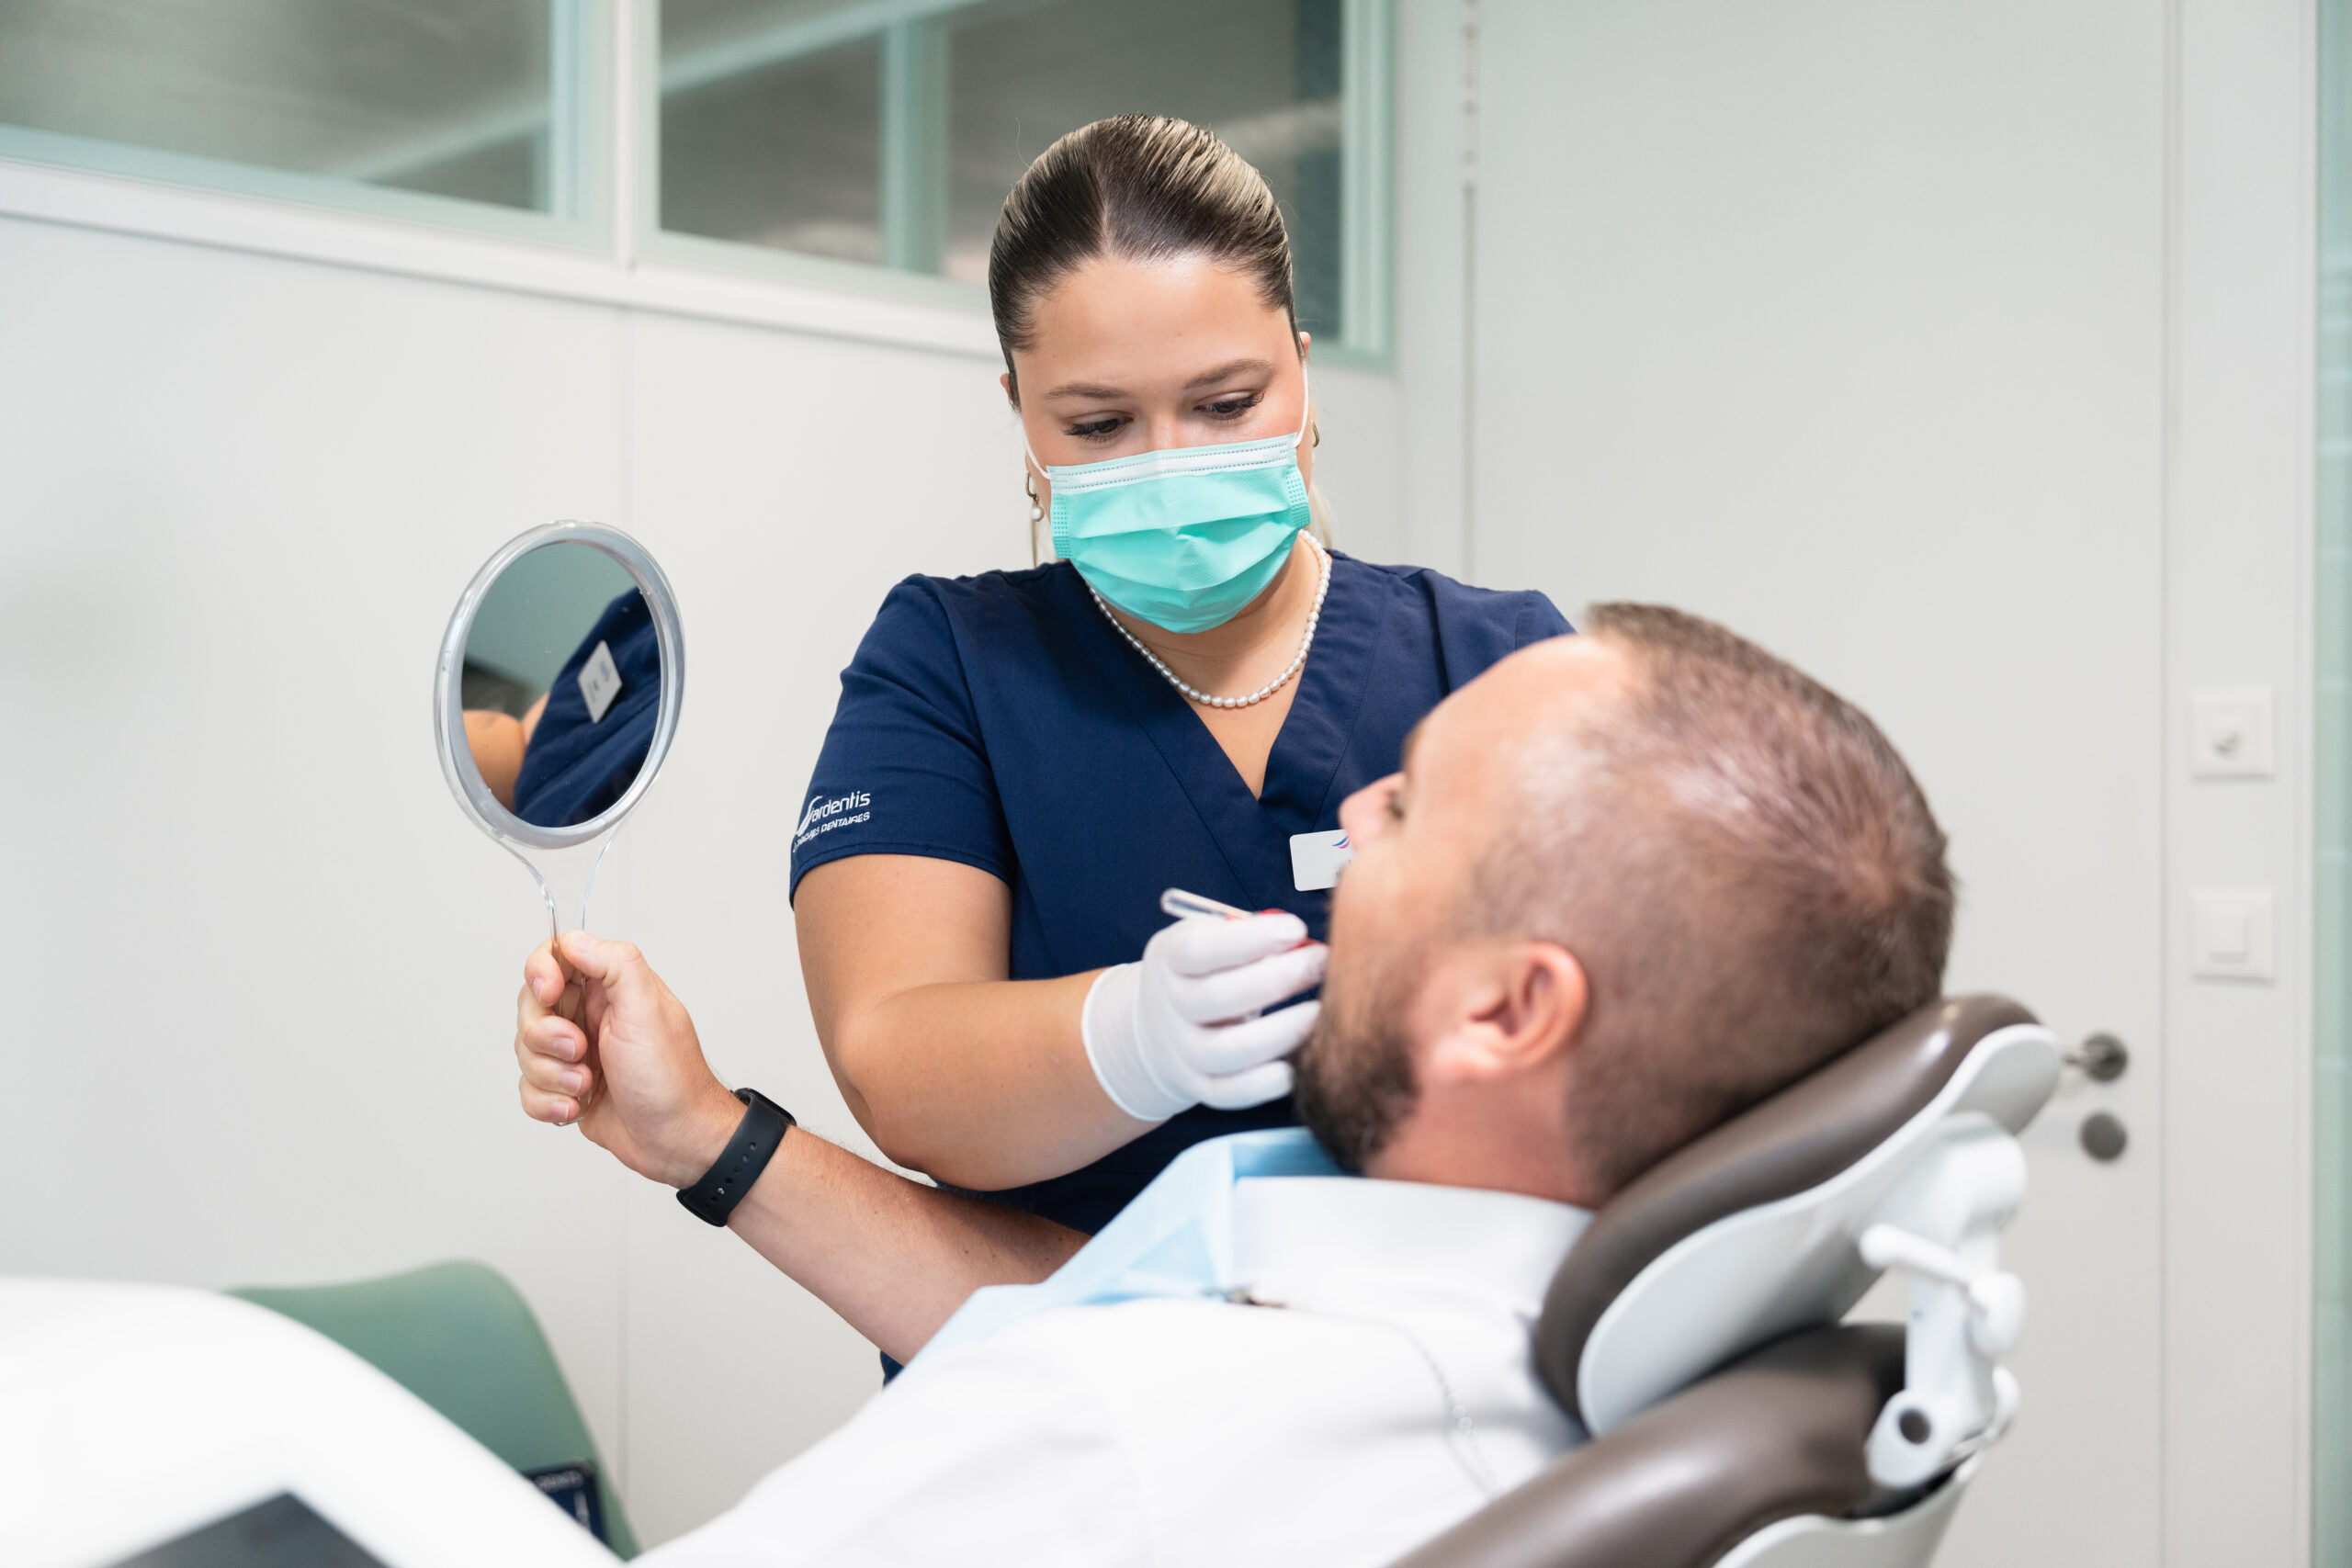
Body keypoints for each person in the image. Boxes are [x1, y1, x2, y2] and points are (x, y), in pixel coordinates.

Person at [512, 604, 1956, 1565]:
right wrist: (705, 1131)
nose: (1348, 810)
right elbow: (1100, 1303)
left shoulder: (1116, 1431)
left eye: (1412, 800)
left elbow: (1106, 1376)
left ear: (1511, 1006)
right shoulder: (1626, 1352)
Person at [781, 114, 1575, 1264]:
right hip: (1065, 1387)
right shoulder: (950, 661)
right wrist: (1131, 1038)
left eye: (1224, 405)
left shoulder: (1494, 661)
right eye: (1099, 425)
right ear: (1022, 416)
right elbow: (895, 1065)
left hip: (1428, 1364)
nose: (1168, 470)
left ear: (1302, 371)